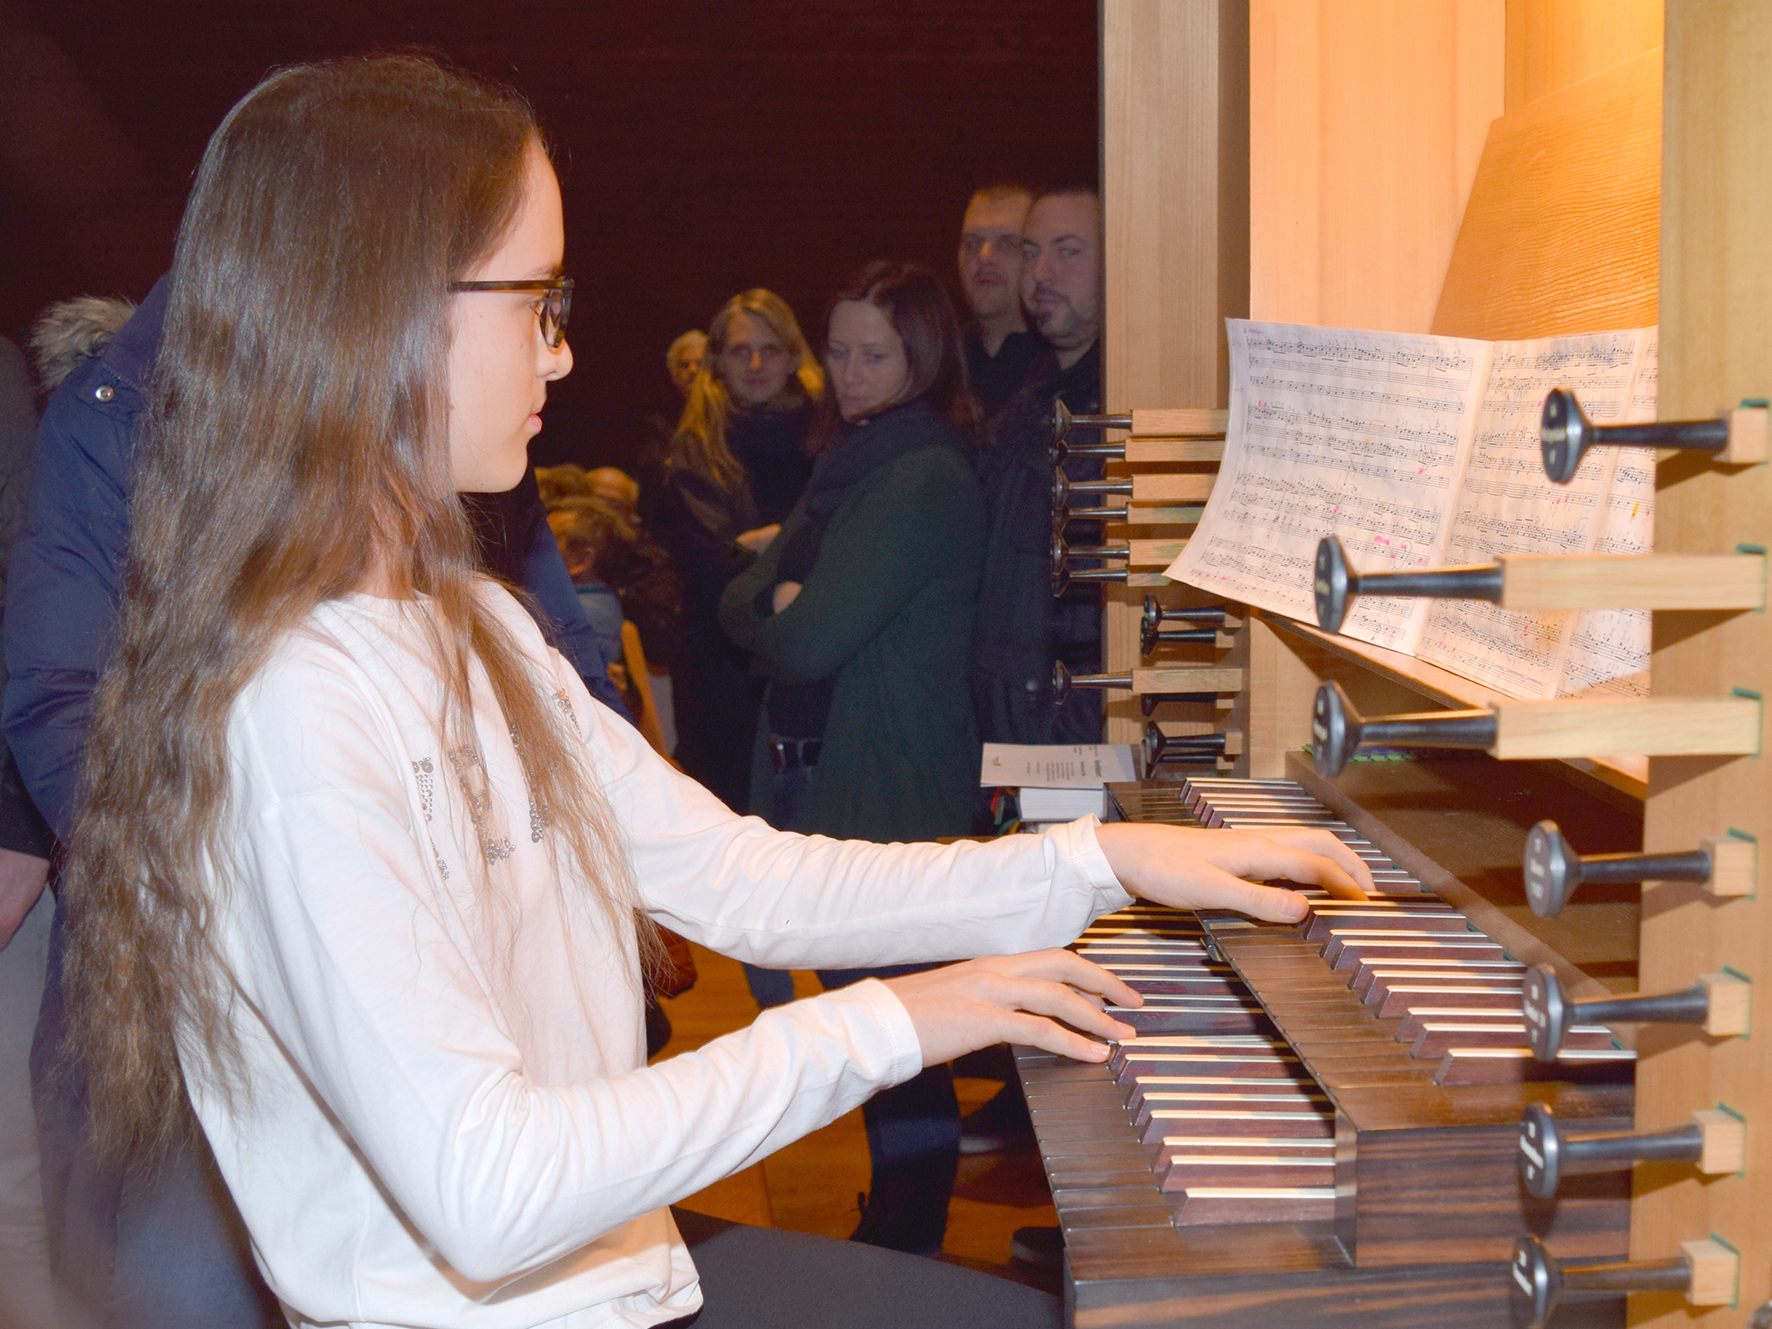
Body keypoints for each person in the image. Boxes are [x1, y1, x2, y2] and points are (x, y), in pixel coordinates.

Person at [57, 55, 1371, 1329]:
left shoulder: (472, 626)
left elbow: (749, 879)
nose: (561, 359)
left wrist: (1104, 861)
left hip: (623, 1280)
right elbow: (490, 1187)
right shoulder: (291, 707)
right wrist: (901, 1018)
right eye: (536, 304)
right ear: (382, 312)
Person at [4, 215, 630, 1329]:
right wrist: (217, 904)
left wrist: (597, 861)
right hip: (195, 970)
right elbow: (58, 697)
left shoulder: (404, 389)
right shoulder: (116, 411)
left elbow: (548, 641)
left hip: (442, 938)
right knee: (187, 1283)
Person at [715, 261, 986, 1254]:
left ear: (921, 357)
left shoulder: (918, 475)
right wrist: (773, 601)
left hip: (888, 791)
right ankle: (903, 1227)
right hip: (833, 776)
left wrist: (781, 604)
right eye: (835, 351)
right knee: (880, 1031)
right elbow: (739, 594)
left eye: (874, 354)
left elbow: (799, 639)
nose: (848, 372)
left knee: (899, 1038)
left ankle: (910, 1241)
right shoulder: (850, 461)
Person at [645, 291, 820, 819]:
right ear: (717, 360)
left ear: (794, 356)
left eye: (771, 349)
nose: (758, 365)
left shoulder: (827, 436)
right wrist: (794, 546)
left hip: (809, 655)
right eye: (742, 351)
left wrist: (771, 545)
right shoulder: (693, 446)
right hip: (720, 665)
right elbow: (713, 566)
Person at [971, 185, 1108, 748]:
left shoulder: (1127, 404)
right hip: (1012, 714)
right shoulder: (1031, 392)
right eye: (1030, 252)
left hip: (1068, 725)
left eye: (1068, 251)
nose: (1040, 273)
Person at [956, 184, 1040, 420]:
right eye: (972, 243)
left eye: (1007, 244)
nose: (984, 257)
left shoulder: (1063, 366)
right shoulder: (938, 362)